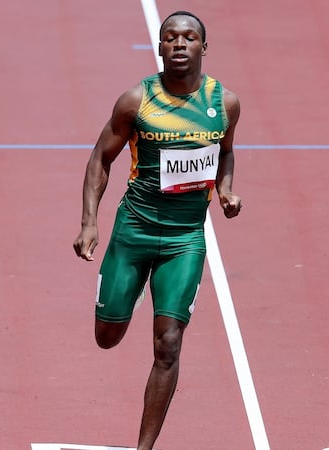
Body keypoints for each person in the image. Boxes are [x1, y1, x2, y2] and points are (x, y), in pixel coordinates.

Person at [72, 11, 241, 450]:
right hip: (134, 231)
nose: (180, 44)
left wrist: (225, 190)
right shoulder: (136, 101)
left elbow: (225, 153)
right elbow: (100, 158)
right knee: (106, 338)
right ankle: (132, 287)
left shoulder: (225, 103)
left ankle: (144, 447)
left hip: (185, 239)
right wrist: (90, 220)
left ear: (204, 47)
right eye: (171, 38)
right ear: (160, 47)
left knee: (168, 344)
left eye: (189, 38)